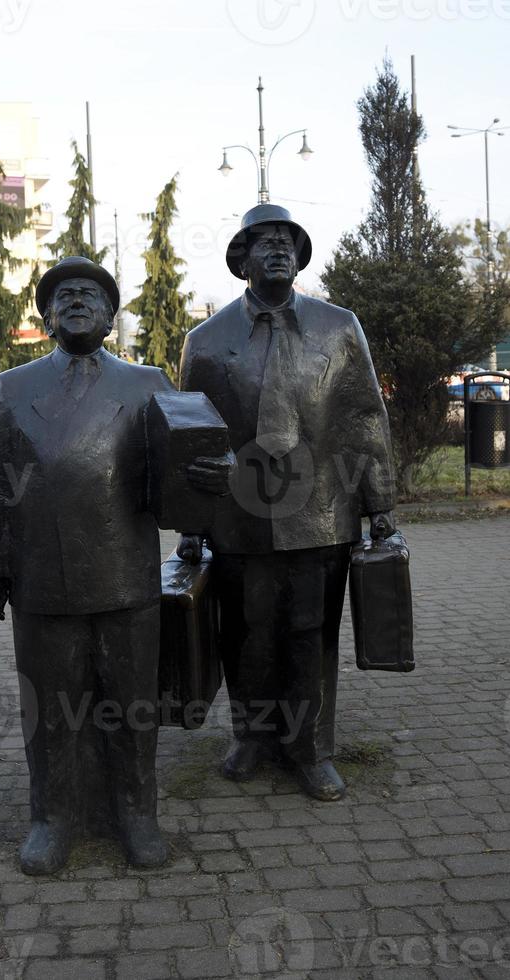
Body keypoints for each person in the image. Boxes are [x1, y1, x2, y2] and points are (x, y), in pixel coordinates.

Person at [0, 257, 180, 872]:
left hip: (124, 575)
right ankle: (52, 817)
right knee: (51, 708)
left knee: (133, 707)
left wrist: (204, 482)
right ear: (47, 314)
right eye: (65, 294)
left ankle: (138, 813)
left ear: (113, 317)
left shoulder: (148, 382)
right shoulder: (15, 386)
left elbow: (179, 481)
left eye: (92, 293)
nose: (78, 300)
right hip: (42, 578)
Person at [178, 204, 396, 802]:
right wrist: (191, 525)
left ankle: (311, 749)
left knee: (310, 633)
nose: (276, 248)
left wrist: (381, 509)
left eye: (286, 240)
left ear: (300, 257)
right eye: (261, 240)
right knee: (245, 633)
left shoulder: (338, 327)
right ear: (240, 259)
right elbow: (191, 435)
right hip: (236, 515)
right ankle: (250, 736)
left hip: (321, 511)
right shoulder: (206, 340)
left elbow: (363, 420)